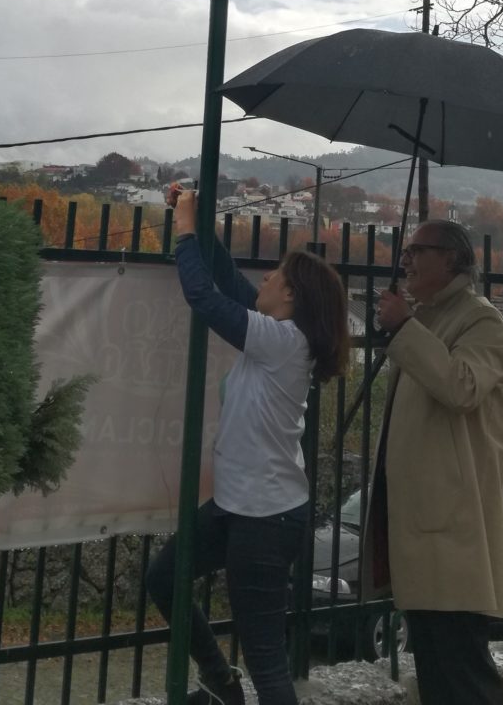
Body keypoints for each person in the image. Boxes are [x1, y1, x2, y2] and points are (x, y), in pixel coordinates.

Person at [147, 190, 350, 705]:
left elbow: (204, 296)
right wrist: (198, 219)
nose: (264, 281)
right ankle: (221, 682)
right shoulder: (276, 335)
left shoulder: (284, 342)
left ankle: (229, 683)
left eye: (274, 276)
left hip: (266, 517)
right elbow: (228, 280)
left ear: (292, 296)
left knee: (266, 661)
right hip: (238, 505)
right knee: (164, 578)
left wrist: (185, 233)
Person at [362, 219, 503, 705]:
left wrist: (405, 327)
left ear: (450, 258)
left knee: (463, 677)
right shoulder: (429, 318)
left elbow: (462, 387)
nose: (405, 259)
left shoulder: (482, 320)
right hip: (426, 530)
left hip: (455, 533)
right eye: (405, 251)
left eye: (417, 251)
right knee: (437, 676)